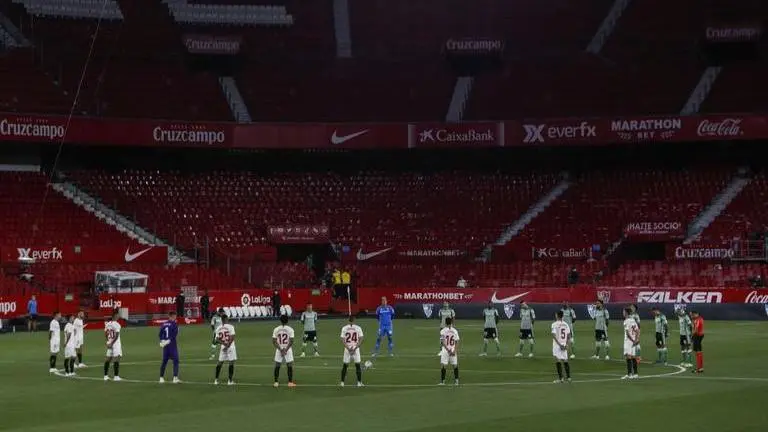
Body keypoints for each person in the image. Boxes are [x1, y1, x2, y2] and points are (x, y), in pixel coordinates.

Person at [339, 315, 364, 387]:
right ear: (354, 320)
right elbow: (361, 338)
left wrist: (348, 348)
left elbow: (342, 339)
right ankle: (359, 383)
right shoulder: (358, 328)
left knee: (345, 365)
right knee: (357, 365)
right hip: (355, 348)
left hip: (347, 348)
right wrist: (355, 348)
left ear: (348, 320)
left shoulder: (344, 328)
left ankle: (342, 382)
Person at [272, 314, 296, 388]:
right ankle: (290, 382)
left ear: (280, 320)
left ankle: (276, 382)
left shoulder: (276, 329)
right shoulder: (290, 329)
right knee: (289, 365)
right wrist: (285, 350)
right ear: (287, 321)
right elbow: (291, 341)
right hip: (287, 349)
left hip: (279, 349)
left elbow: (274, 341)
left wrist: (281, 349)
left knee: (277, 365)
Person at [214, 314, 237, 385]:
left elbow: (216, 340)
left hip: (223, 347)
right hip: (230, 347)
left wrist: (224, 344)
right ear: (226, 319)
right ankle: (230, 381)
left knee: (220, 362)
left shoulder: (218, 328)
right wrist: (228, 345)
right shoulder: (231, 327)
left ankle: (216, 380)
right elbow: (232, 337)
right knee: (231, 362)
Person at [159, 311, 180, 384]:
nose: (175, 317)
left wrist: (162, 341)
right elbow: (175, 334)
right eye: (174, 316)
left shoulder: (164, 324)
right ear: (171, 316)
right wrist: (169, 340)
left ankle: (161, 378)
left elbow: (160, 334)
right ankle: (175, 378)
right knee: (176, 361)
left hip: (165, 346)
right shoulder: (174, 324)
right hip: (172, 346)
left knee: (164, 362)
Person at [551, 311, 572, 383]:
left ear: (557, 315)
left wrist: (559, 345)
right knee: (565, 360)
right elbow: (569, 336)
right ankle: (569, 378)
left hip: (557, 345)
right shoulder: (566, 324)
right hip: (564, 344)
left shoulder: (554, 324)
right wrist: (567, 345)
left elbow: (553, 335)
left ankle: (561, 379)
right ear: (562, 316)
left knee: (558, 360)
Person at [439, 317, 460, 386]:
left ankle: (443, 382)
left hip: (445, 350)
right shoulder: (455, 331)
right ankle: (456, 381)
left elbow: (442, 342)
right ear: (451, 322)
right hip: (453, 349)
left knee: (444, 365)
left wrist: (448, 350)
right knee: (455, 365)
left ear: (445, 322)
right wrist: (454, 351)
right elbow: (457, 341)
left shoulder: (442, 331)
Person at [104, 310, 122, 381]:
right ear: (115, 315)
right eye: (118, 315)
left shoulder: (108, 324)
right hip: (115, 344)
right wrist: (112, 343)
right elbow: (117, 335)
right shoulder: (117, 324)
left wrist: (108, 341)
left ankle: (105, 376)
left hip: (109, 343)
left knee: (108, 359)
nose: (119, 316)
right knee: (116, 358)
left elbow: (105, 333)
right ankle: (116, 376)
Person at [622, 307, 640, 380]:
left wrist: (633, 340)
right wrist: (636, 340)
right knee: (633, 357)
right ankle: (635, 374)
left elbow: (627, 333)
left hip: (628, 341)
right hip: (634, 341)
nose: (623, 313)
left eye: (623, 312)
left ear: (626, 313)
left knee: (628, 356)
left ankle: (629, 374)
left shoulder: (626, 321)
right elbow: (637, 330)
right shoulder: (633, 320)